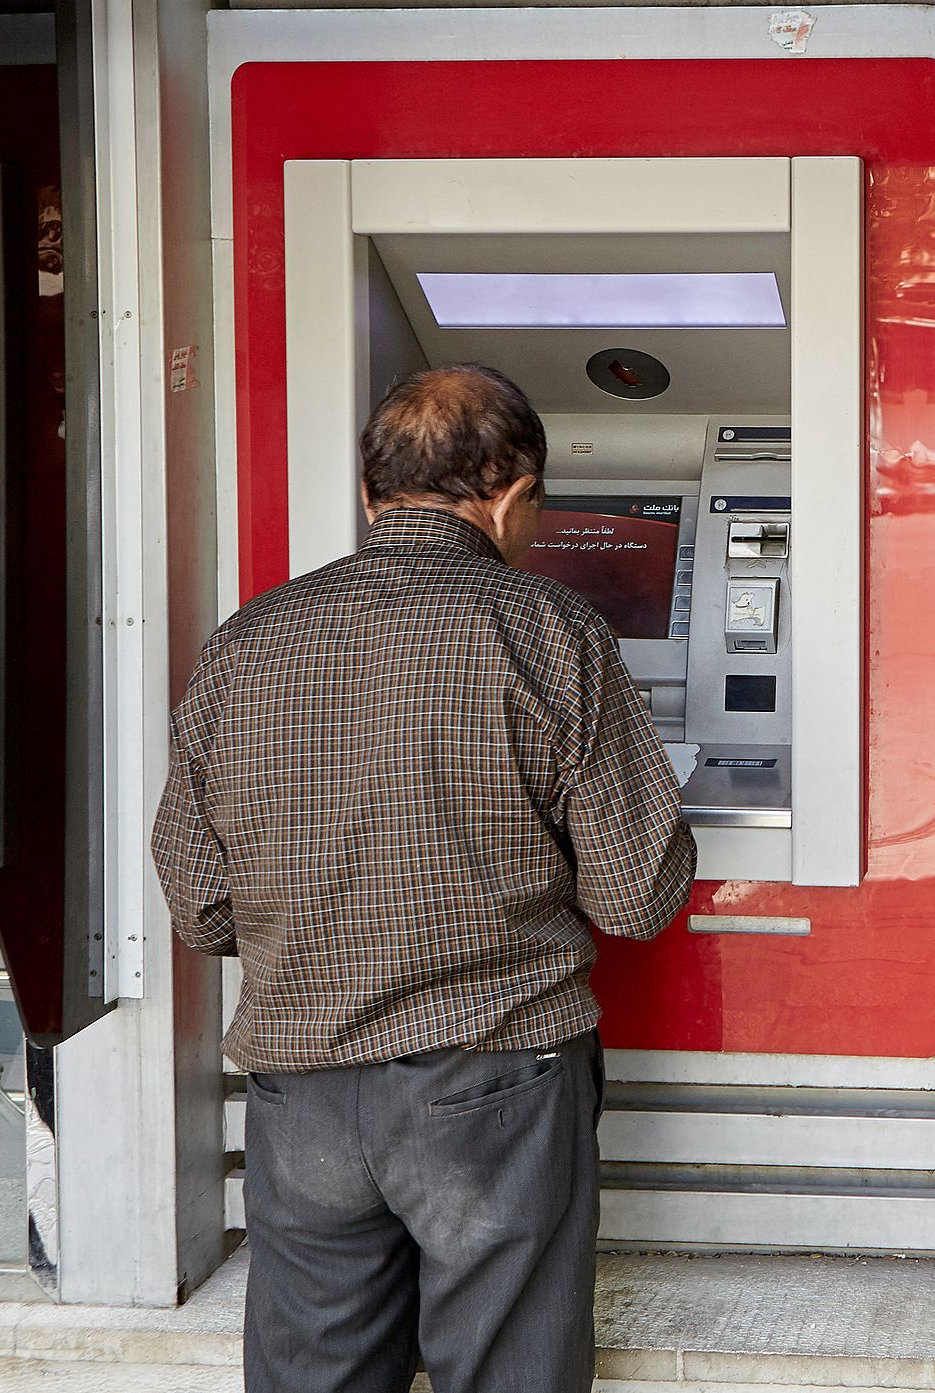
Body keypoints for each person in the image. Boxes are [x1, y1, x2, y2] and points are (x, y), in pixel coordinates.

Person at [151, 363, 695, 1393]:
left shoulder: (244, 643)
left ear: (369, 495)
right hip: (492, 1080)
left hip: (299, 1093)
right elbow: (637, 895)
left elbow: (199, 900)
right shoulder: (552, 633)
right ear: (514, 497)